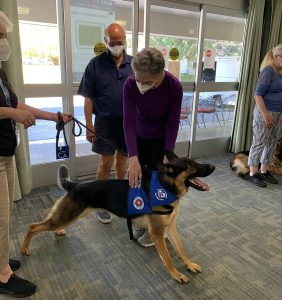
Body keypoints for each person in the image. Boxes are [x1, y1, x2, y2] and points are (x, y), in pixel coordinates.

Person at [0, 11, 71, 298]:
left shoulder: (0, 72)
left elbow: (17, 103)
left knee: (6, 214)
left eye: (4, 35)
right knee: (1, 217)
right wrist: (11, 113)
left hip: (6, 152)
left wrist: (52, 116)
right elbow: (11, 109)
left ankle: (1, 260)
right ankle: (3, 275)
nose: (4, 41)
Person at [123, 48, 183, 247]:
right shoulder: (130, 83)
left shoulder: (174, 87)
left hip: (161, 140)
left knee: (158, 185)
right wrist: (132, 156)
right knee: (137, 182)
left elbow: (172, 124)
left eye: (145, 81)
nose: (140, 84)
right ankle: (141, 221)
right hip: (138, 136)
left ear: (158, 76)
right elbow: (129, 122)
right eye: (137, 79)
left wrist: (168, 154)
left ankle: (157, 227)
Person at [78, 23, 133, 224]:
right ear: (105, 41)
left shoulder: (134, 64)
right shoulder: (95, 64)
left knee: (123, 162)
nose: (118, 46)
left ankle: (119, 197)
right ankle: (100, 202)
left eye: (121, 42)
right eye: (113, 43)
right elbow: (88, 98)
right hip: (104, 123)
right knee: (105, 162)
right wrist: (89, 124)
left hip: (128, 124)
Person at [247, 44, 282, 187]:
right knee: (259, 143)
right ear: (276, 57)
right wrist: (266, 115)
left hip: (279, 113)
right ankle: (253, 173)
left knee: (272, 143)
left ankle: (264, 170)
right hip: (265, 112)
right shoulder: (268, 71)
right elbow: (258, 95)